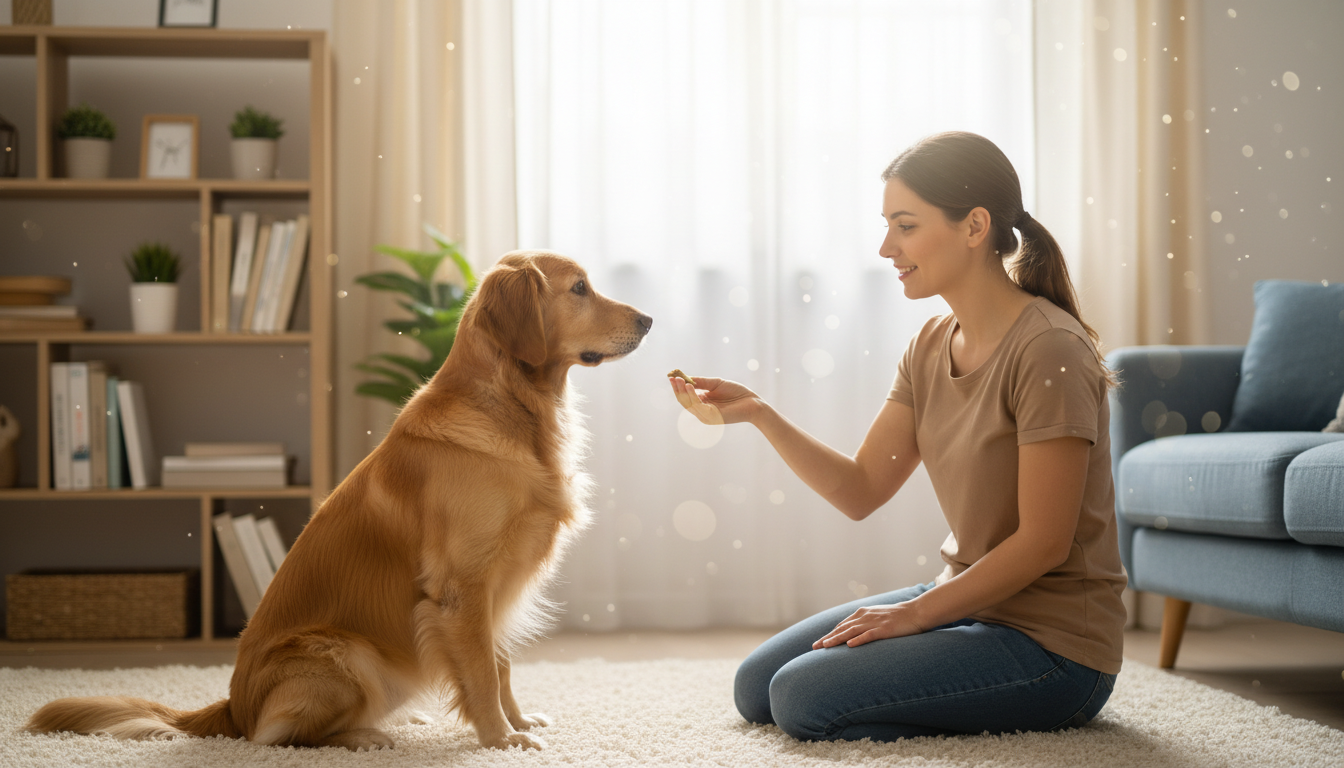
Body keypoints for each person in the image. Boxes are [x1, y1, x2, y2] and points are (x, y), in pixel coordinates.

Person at [669, 131, 1127, 742]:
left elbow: (1044, 543)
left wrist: (914, 617)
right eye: (888, 225)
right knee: (757, 686)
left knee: (800, 697)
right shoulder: (931, 343)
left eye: (905, 226)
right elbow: (861, 490)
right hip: (968, 600)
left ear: (974, 226)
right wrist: (759, 414)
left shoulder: (1049, 349)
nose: (887, 247)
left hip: (1055, 648)